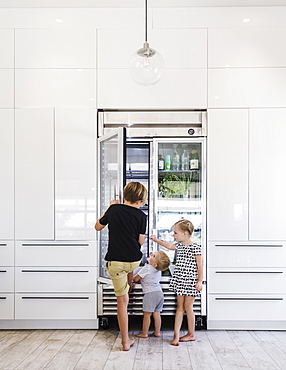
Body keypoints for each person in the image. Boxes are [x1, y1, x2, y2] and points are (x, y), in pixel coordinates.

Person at [94, 181, 148, 351]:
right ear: (139, 201)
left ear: (125, 196)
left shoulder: (114, 210)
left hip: (116, 262)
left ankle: (125, 341)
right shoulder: (141, 216)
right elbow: (140, 242)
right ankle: (129, 286)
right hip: (133, 260)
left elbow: (97, 227)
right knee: (129, 272)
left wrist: (109, 208)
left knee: (122, 302)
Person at [150, 219, 203, 346]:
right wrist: (157, 240)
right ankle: (176, 336)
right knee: (179, 308)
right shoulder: (179, 246)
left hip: (191, 281)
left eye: (175, 233)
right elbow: (169, 246)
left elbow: (200, 266)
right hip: (180, 280)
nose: (173, 235)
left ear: (185, 233)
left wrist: (200, 281)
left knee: (188, 307)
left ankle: (191, 334)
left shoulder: (196, 247)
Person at [133, 251, 170, 338]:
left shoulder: (147, 268)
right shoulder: (158, 270)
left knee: (147, 315)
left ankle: (144, 333)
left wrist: (134, 277)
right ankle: (157, 332)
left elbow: (135, 278)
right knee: (157, 314)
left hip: (150, 294)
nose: (150, 255)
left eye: (153, 256)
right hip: (159, 293)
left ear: (155, 264)